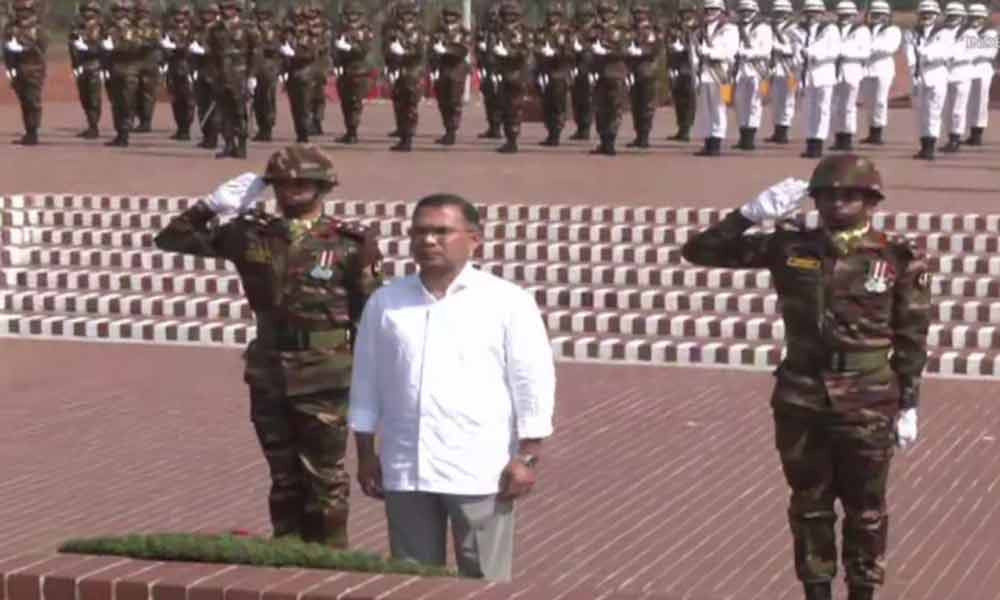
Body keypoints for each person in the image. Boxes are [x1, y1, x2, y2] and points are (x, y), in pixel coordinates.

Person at [681, 154, 930, 600]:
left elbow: (912, 334)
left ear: (871, 201)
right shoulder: (790, 247)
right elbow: (700, 251)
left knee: (865, 509)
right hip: (802, 395)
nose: (838, 203)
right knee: (809, 504)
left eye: (850, 195)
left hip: (869, 399)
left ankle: (862, 592)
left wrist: (909, 401)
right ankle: (816, 591)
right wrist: (748, 215)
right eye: (828, 195)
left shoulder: (897, 255)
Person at [154, 145, 383, 548]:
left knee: (325, 477)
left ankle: (329, 562)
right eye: (281, 183)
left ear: (323, 185)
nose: (291, 189)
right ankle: (287, 557)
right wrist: (210, 206)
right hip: (270, 369)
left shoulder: (350, 243)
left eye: (302, 182)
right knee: (283, 476)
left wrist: (371, 380)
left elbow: (371, 315)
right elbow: (171, 238)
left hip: (325, 371)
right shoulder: (249, 233)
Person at [348, 193, 556, 581]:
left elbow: (532, 381)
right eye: (420, 232)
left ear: (474, 239)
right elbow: (366, 379)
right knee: (410, 580)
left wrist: (527, 457)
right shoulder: (386, 302)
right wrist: (365, 453)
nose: (428, 241)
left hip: (479, 467)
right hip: (406, 466)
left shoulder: (506, 301)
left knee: (484, 579)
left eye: (442, 231)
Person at [904, 0, 951, 160]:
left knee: (934, 112)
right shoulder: (912, 32)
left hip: (937, 74)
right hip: (919, 76)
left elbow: (947, 52)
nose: (926, 16)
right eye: (923, 13)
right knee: (921, 113)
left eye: (930, 13)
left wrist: (927, 54)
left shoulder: (944, 32)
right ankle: (924, 146)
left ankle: (931, 146)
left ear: (936, 15)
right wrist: (913, 72)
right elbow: (910, 54)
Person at [692, 0, 737, 157]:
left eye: (714, 9)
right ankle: (708, 141)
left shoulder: (729, 29)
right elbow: (694, 53)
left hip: (720, 74)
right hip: (703, 74)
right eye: (708, 9)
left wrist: (708, 52)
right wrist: (695, 70)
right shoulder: (699, 31)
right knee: (705, 110)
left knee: (718, 109)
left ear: (721, 10)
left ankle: (716, 142)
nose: (710, 11)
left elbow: (729, 51)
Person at [3, 0, 47, 146]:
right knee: (24, 101)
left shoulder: (37, 28)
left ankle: (33, 132)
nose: (21, 13)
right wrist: (10, 67)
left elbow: (42, 46)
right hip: (18, 69)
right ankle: (29, 131)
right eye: (19, 10)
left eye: (24, 10)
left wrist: (23, 47)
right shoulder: (11, 27)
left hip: (33, 68)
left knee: (32, 101)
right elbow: (6, 47)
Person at [730, 0, 772, 151]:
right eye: (743, 11)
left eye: (748, 11)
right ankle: (743, 136)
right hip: (740, 70)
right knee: (740, 104)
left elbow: (766, 50)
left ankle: (750, 139)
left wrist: (749, 53)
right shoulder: (735, 28)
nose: (745, 13)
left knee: (754, 104)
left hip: (756, 70)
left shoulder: (764, 28)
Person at [428, 3, 472, 146]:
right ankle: (447, 129)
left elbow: (463, 50)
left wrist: (446, 50)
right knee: (443, 102)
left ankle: (452, 131)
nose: (449, 18)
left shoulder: (464, 33)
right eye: (447, 15)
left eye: (452, 16)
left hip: (457, 70)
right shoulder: (437, 32)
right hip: (442, 69)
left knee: (454, 101)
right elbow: (431, 50)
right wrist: (432, 67)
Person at [331, 1, 374, 145]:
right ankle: (349, 131)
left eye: (354, 14)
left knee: (355, 102)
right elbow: (335, 48)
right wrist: (336, 62)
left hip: (359, 70)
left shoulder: (364, 31)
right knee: (345, 103)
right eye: (349, 14)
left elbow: (363, 50)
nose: (351, 17)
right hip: (345, 71)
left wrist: (348, 47)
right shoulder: (342, 29)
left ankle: (353, 132)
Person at [858, 0, 900, 146]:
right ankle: (871, 130)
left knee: (880, 101)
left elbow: (888, 48)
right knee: (869, 102)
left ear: (887, 15)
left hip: (883, 70)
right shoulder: (865, 29)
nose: (877, 16)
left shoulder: (893, 30)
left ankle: (878, 132)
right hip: (867, 70)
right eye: (875, 13)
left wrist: (867, 48)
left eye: (881, 14)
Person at [829, 0, 870, 152]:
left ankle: (847, 137)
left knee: (848, 106)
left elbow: (865, 52)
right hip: (834, 71)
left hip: (852, 70)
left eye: (847, 14)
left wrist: (844, 52)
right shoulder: (831, 29)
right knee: (834, 107)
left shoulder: (862, 31)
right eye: (842, 14)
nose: (844, 17)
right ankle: (838, 136)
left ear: (853, 15)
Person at [68, 0, 104, 140]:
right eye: (85, 11)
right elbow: (72, 47)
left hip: (95, 65)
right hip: (81, 67)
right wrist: (75, 65)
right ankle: (90, 124)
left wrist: (88, 49)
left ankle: (94, 127)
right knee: (85, 98)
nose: (88, 13)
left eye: (91, 11)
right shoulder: (77, 28)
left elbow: (104, 48)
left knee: (94, 98)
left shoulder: (101, 28)